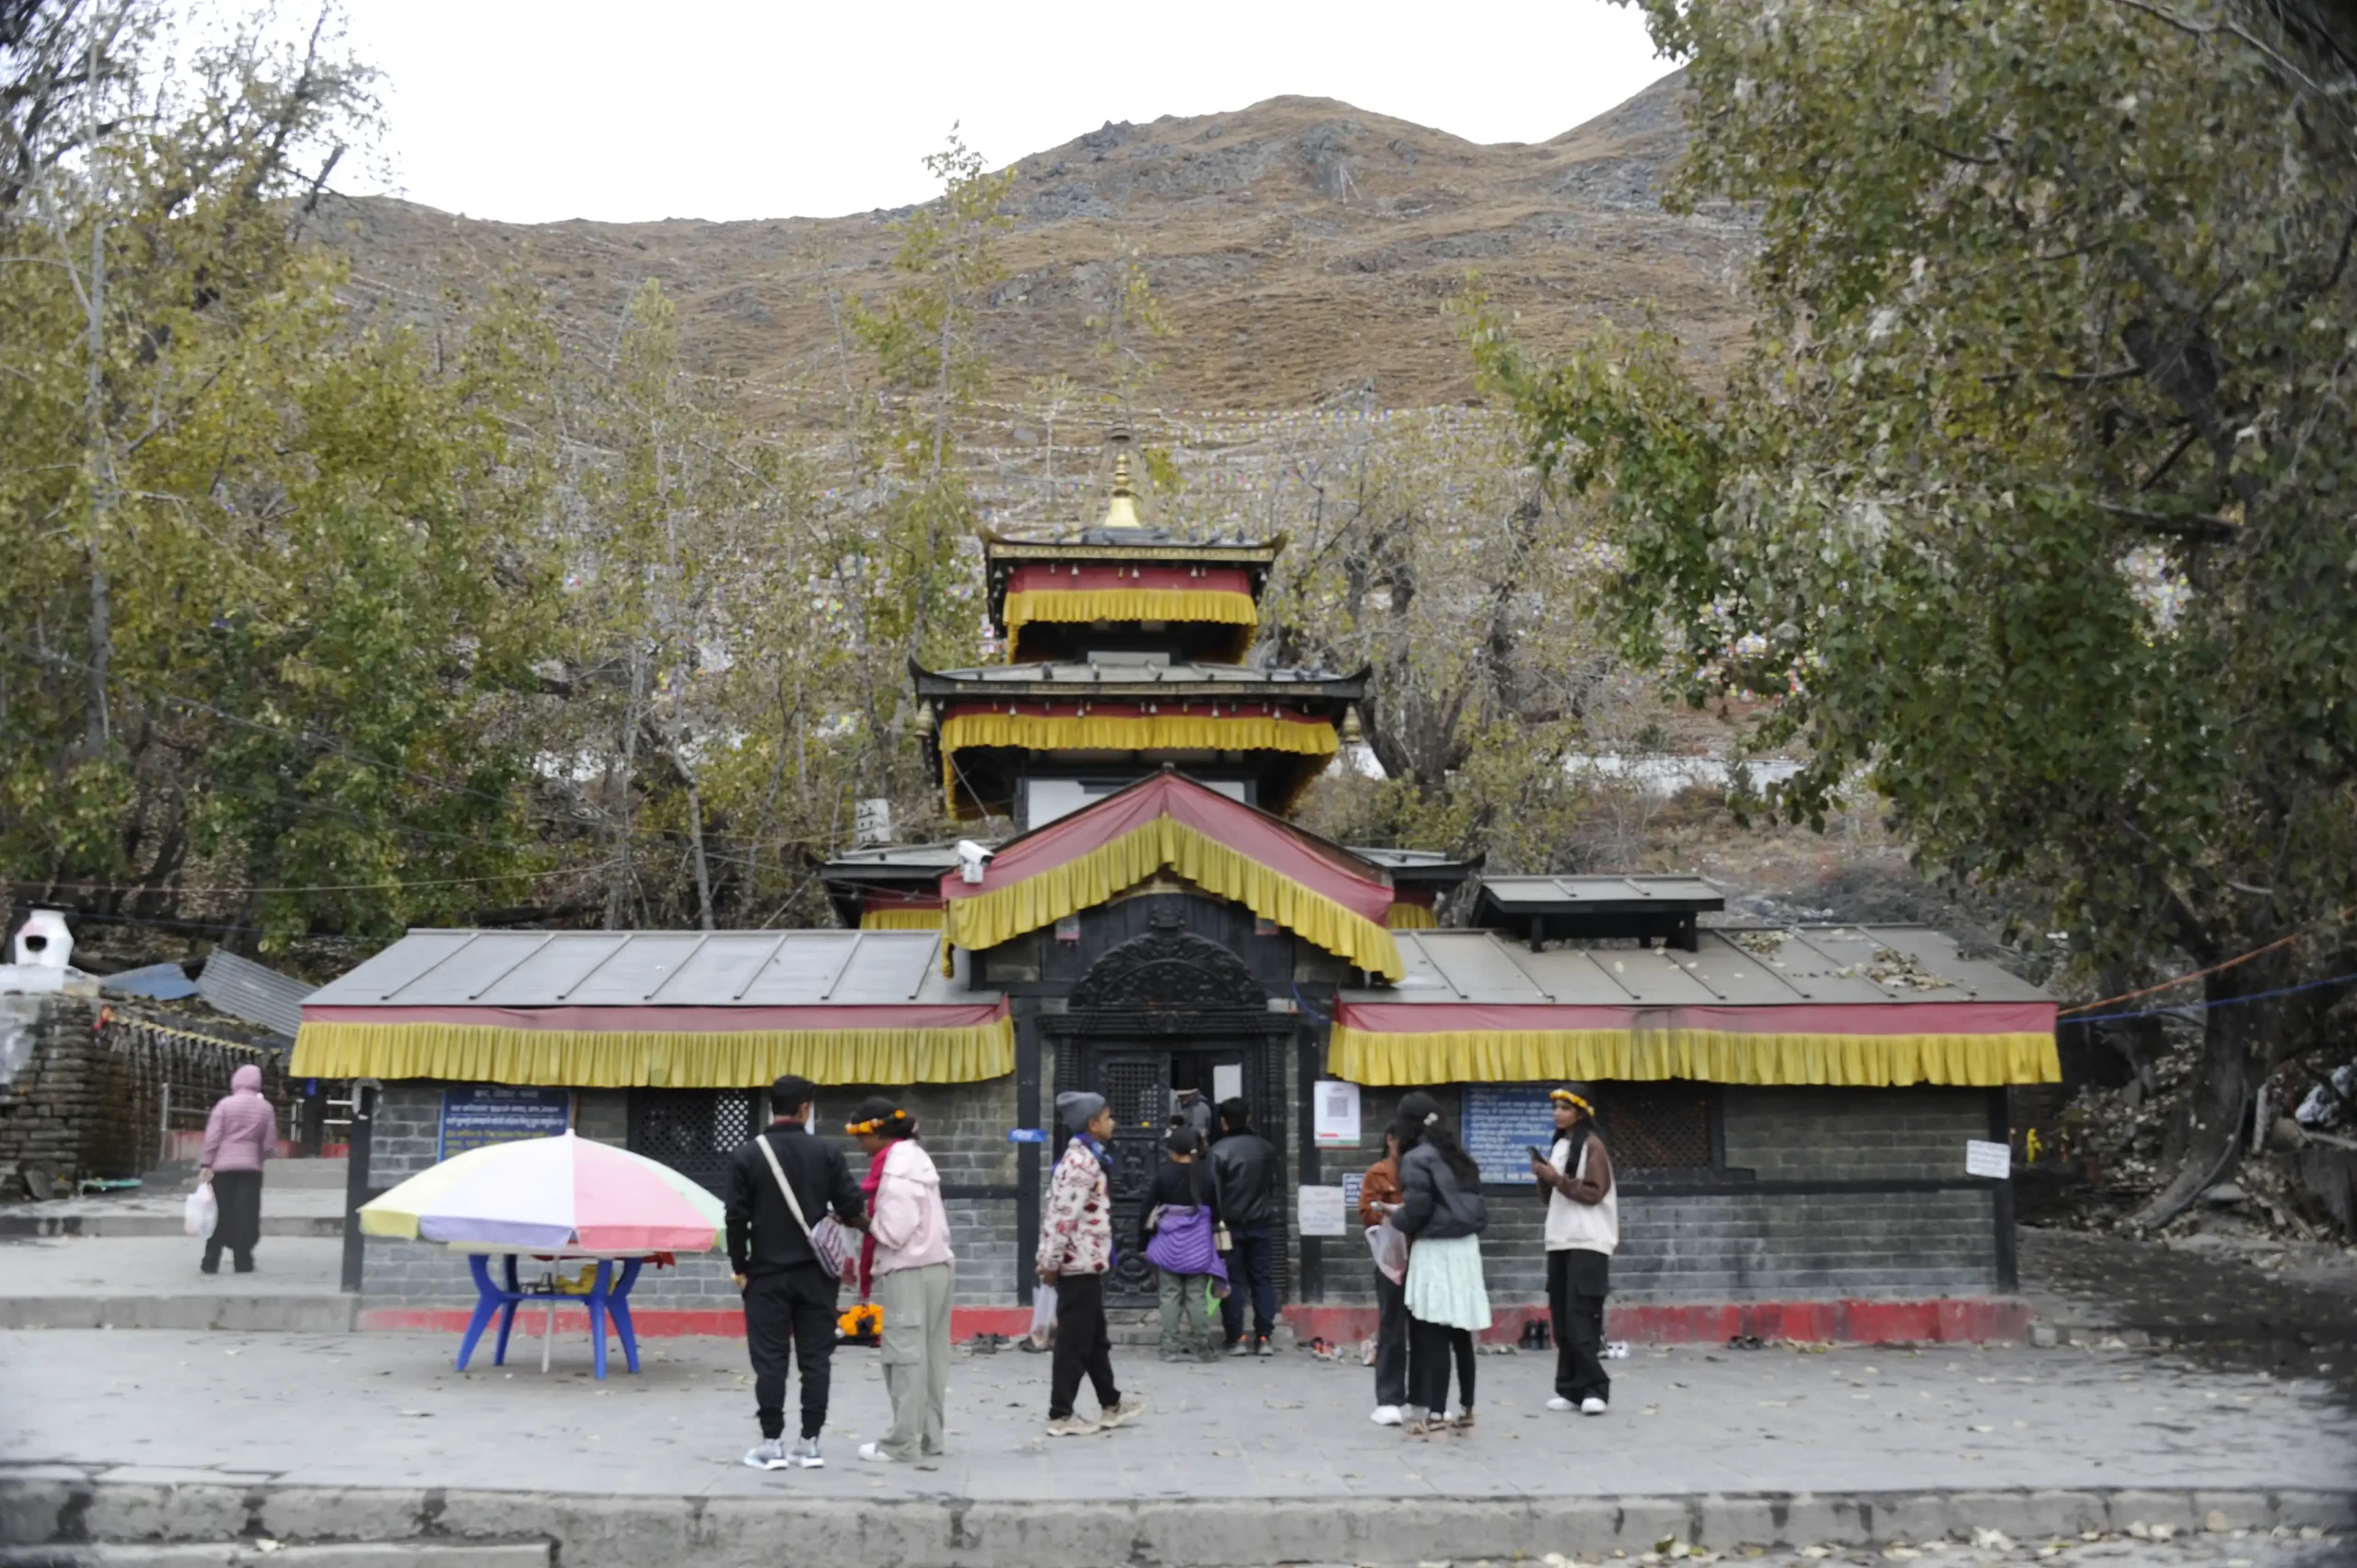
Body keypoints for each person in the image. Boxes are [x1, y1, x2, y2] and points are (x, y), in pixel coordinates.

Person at [726, 1074, 867, 1471]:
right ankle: (810, 1444)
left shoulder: (747, 1155)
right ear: (806, 1107)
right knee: (815, 1358)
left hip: (766, 1275)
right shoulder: (826, 1152)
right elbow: (852, 1203)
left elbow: (736, 1219)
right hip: (817, 1275)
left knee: (770, 1360)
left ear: (773, 1106)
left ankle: (771, 1444)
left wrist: (740, 1267)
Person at [846, 1098, 955, 1465]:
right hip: (936, 1267)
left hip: (909, 1270)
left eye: (861, 1137)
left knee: (904, 1357)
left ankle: (901, 1443)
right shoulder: (915, 1157)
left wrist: (858, 1221)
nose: (859, 1146)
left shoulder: (896, 1167)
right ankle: (929, 1437)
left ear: (878, 1132)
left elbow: (894, 1231)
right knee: (930, 1357)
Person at [1039, 1089, 1151, 1436]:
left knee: (1094, 1338)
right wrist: (1050, 1261)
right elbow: (1062, 1216)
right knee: (1074, 1340)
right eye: (1107, 1117)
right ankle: (1061, 1413)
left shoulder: (1089, 1157)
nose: (1112, 1123)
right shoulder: (1081, 1163)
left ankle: (1111, 1404)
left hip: (1088, 1260)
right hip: (1077, 1263)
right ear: (1092, 1123)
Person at [1387, 1106, 1491, 1435]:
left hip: (1435, 1248)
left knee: (1435, 1331)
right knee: (1461, 1332)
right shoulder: (1460, 1158)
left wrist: (1396, 1217)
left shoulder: (1416, 1159)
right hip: (1466, 1248)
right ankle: (1467, 1408)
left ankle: (1436, 1413)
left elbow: (1418, 1209)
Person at [1530, 1083, 1617, 1416]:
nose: (1557, 1114)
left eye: (1565, 1108)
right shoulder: (1561, 1145)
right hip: (1560, 1239)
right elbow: (1552, 1197)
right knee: (1562, 1318)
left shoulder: (1593, 1146)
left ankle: (1596, 1388)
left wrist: (1556, 1179)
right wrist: (1544, 1176)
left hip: (1588, 1241)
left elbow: (1592, 1193)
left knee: (1582, 1317)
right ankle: (1569, 1388)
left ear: (1580, 1113)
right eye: (1556, 1108)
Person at [1361, 1090, 1442, 1425]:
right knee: (1392, 1329)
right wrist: (1388, 1213)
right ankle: (1389, 1399)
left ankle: (1423, 1399)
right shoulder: (1378, 1173)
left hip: (1425, 1253)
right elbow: (1365, 1212)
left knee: (1426, 1330)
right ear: (1389, 1140)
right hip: (1393, 1259)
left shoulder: (1427, 1165)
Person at [1141, 1126, 1225, 1362]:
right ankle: (1202, 1348)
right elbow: (1217, 1213)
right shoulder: (1206, 1176)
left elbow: (1146, 1209)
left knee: (1169, 1295)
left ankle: (1169, 1347)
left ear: (1172, 1151)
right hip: (1198, 1247)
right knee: (1197, 1296)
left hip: (1168, 1246)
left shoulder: (1163, 1175)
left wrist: (1142, 1241)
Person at [1209, 1097, 1282, 1355]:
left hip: (1229, 1227)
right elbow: (1273, 1186)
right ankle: (1264, 1337)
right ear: (1248, 1118)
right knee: (1262, 1279)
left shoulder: (1218, 1151)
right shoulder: (1266, 1149)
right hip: (1261, 1222)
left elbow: (1213, 1193)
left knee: (1232, 1281)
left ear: (1223, 1121)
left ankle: (1236, 1336)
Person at [197, 1063, 274, 1275]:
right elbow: (268, 1144)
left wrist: (206, 1163)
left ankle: (210, 1260)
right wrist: (257, 1158)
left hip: (221, 1169)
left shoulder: (224, 1105)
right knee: (246, 1214)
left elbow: (213, 1138)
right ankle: (243, 1260)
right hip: (250, 1169)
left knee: (218, 1213)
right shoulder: (266, 1108)